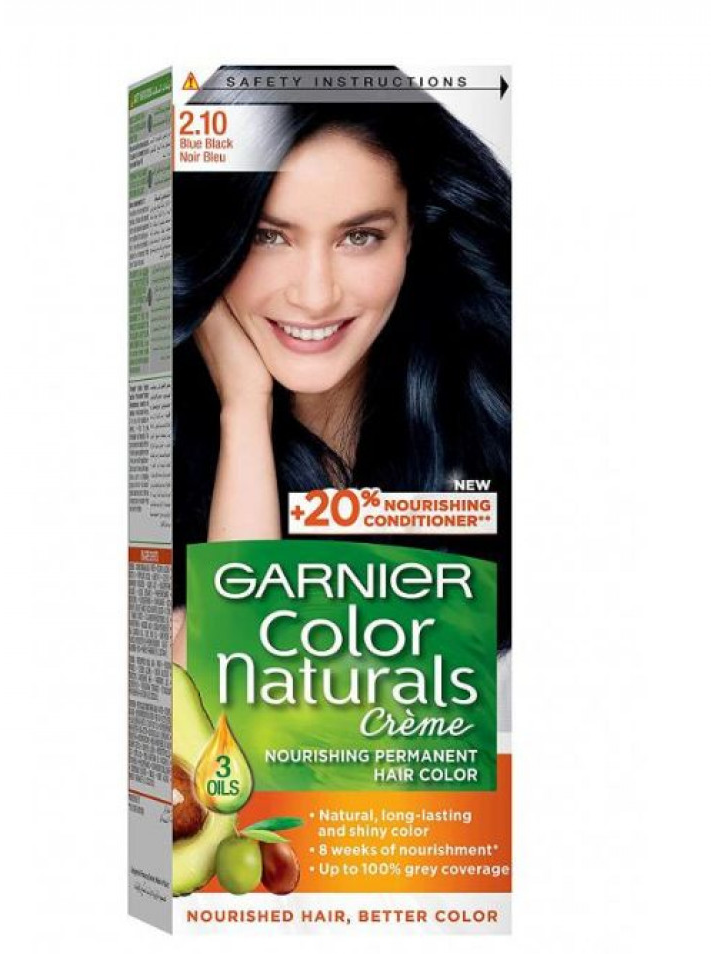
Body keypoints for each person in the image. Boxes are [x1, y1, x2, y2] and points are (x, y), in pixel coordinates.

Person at [171, 89, 511, 668]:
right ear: (217, 236)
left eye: (359, 237)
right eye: (269, 236)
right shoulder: (150, 462)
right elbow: (221, 709)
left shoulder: (488, 435)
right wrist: (244, 411)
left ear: (413, 233)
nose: (315, 295)